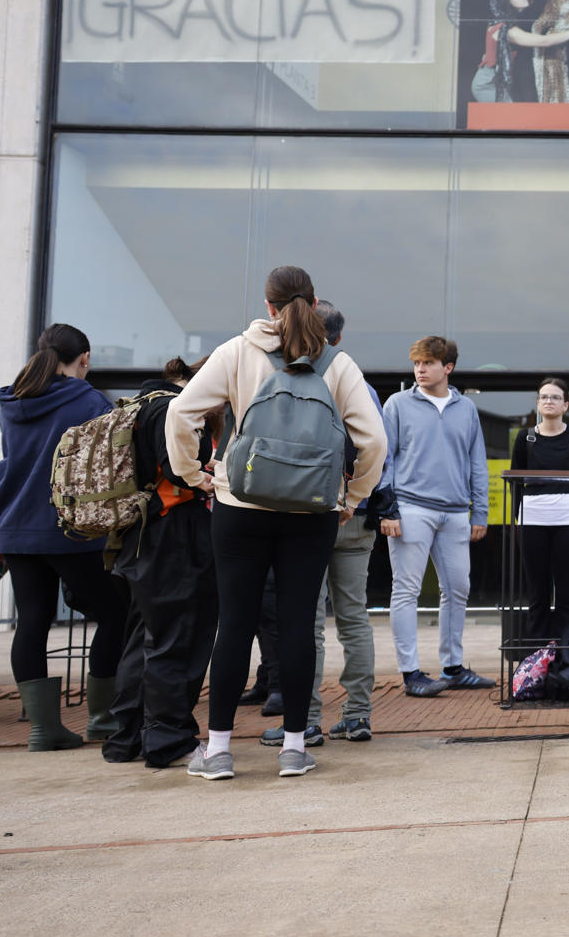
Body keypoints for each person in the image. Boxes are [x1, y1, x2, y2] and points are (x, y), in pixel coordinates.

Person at [166, 266, 387, 779]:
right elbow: (373, 441)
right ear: (312, 302)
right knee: (297, 626)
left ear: (269, 306)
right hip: (312, 512)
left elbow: (182, 414)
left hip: (240, 505)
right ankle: (293, 747)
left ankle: (218, 751)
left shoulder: (237, 351)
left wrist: (193, 474)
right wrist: (351, 495)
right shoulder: (337, 362)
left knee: (235, 625)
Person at [0, 324, 129, 751]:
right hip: (68, 528)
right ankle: (102, 718)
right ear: (85, 359)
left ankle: (42, 729)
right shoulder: (88, 401)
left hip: (16, 528)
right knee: (114, 613)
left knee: (31, 622)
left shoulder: (12, 399)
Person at [101, 356, 217, 767]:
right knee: (177, 640)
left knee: (142, 638)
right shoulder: (176, 410)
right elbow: (182, 472)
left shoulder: (140, 403)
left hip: (137, 538)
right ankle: (170, 741)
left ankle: (125, 737)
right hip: (173, 537)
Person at [287, 301, 393, 746]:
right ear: (339, 337)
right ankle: (358, 714)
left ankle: (306, 719)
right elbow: (378, 449)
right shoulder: (358, 384)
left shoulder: (294, 377)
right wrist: (356, 499)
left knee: (307, 621)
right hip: (354, 513)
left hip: (305, 510)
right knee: (354, 617)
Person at [384, 336, 495, 699]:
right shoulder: (398, 404)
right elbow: (385, 459)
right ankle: (411, 672)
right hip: (412, 507)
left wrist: (480, 511)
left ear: (448, 368)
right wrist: (387, 509)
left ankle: (453, 667)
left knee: (458, 589)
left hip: (456, 512)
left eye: (429, 363)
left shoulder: (467, 410)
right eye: (417, 362)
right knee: (406, 590)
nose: (420, 369)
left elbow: (477, 464)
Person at [509, 378, 569, 644]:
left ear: (566, 404)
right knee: (538, 591)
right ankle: (536, 654)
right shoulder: (526, 437)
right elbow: (515, 481)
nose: (549, 401)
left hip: (568, 517)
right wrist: (521, 513)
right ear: (537, 403)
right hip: (532, 518)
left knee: (567, 589)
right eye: (543, 397)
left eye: (555, 397)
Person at [500, 0, 569, 104]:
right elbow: (544, 41)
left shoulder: (525, 16)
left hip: (532, 71)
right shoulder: (510, 27)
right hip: (523, 74)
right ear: (507, 2)